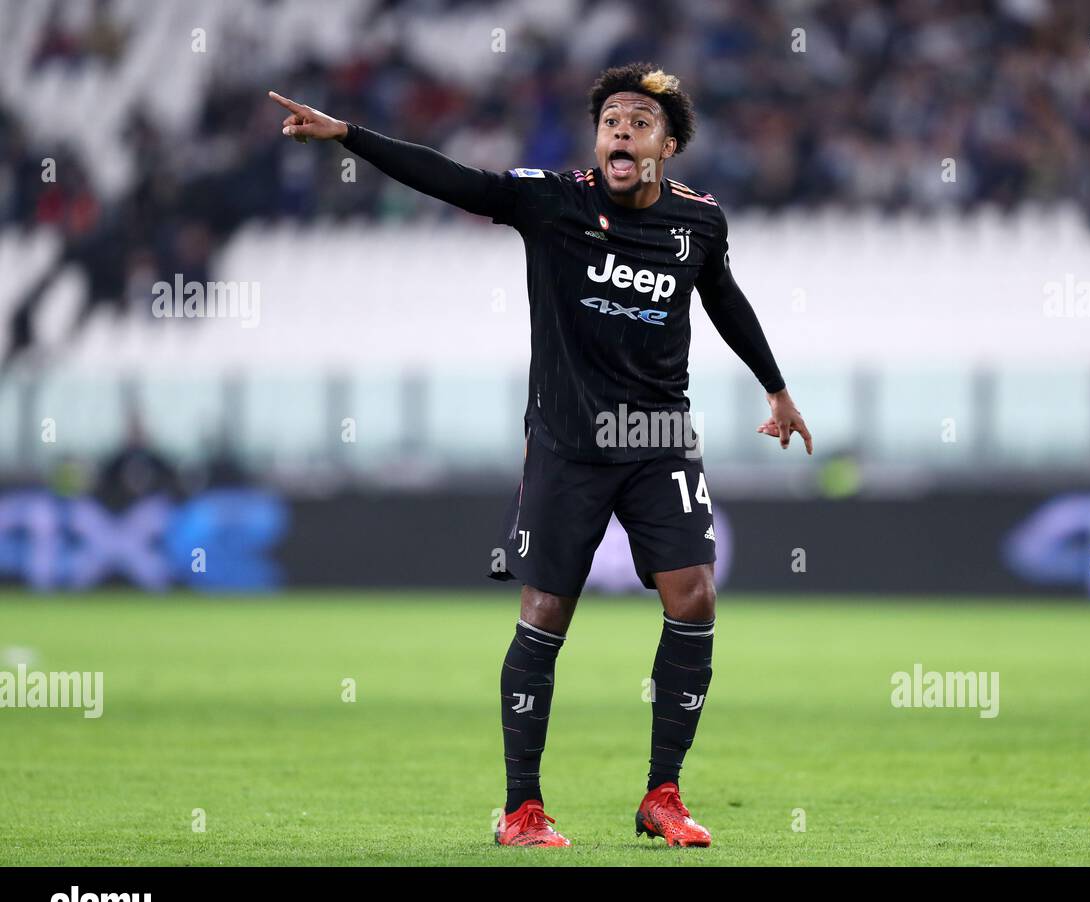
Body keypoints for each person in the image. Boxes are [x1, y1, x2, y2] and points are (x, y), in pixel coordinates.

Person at [270, 62, 812, 848]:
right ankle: (522, 809)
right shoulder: (554, 200)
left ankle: (663, 794)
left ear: (668, 144)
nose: (620, 130)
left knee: (693, 596)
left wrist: (776, 389)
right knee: (547, 612)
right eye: (611, 120)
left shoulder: (700, 222)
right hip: (567, 441)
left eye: (638, 121)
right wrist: (349, 135)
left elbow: (722, 296)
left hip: (657, 437)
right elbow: (454, 180)